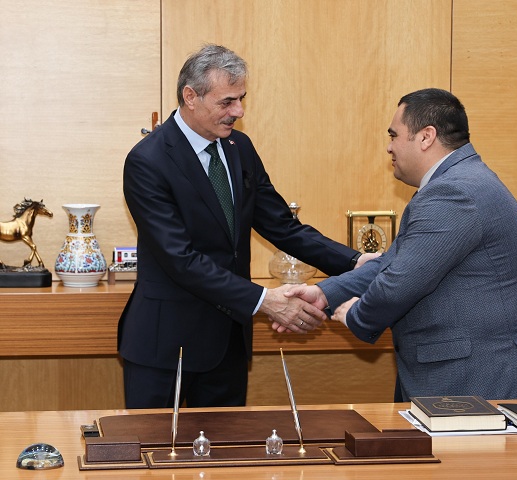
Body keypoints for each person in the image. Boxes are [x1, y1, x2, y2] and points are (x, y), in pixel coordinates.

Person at [118, 44, 370, 409]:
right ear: (191, 96)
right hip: (166, 346)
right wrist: (264, 300)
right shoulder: (148, 160)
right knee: (154, 444)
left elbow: (282, 226)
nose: (238, 111)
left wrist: (355, 262)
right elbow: (180, 259)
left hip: (229, 344)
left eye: (241, 99)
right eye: (227, 102)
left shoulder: (240, 147)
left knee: (228, 444)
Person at [283, 88, 517, 402]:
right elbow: (392, 262)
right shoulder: (456, 183)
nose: (389, 147)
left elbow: (399, 283)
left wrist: (355, 314)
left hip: (476, 377)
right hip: (460, 374)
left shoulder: (453, 193)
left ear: (426, 137)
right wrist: (325, 293)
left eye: (394, 135)